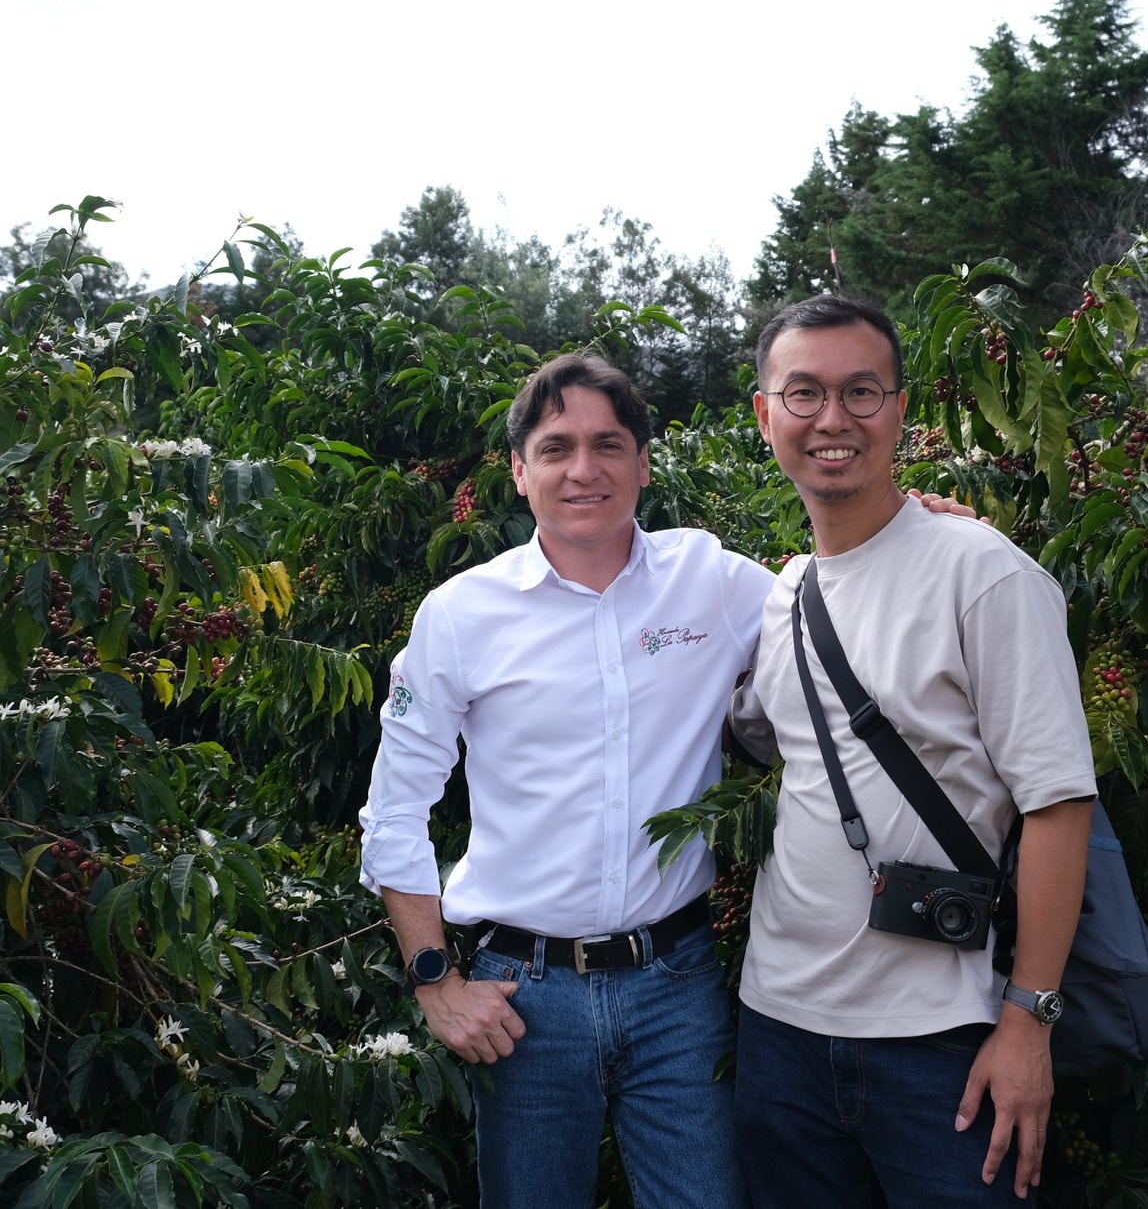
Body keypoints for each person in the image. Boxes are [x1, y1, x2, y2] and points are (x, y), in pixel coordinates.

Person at [358, 349, 974, 1208]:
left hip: (677, 987)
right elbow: (395, 808)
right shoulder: (461, 615)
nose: (585, 469)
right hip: (520, 997)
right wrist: (434, 982)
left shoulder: (711, 581)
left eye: (609, 444)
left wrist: (929, 538)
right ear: (517, 470)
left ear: (644, 463)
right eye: (556, 446)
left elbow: (839, 612)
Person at [729, 295, 1096, 1208]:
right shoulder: (783, 594)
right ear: (763, 411)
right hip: (778, 1032)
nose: (832, 419)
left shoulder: (984, 572)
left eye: (861, 391)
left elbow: (1057, 803)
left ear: (900, 410)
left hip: (945, 1043)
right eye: (802, 392)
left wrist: (1029, 1021)